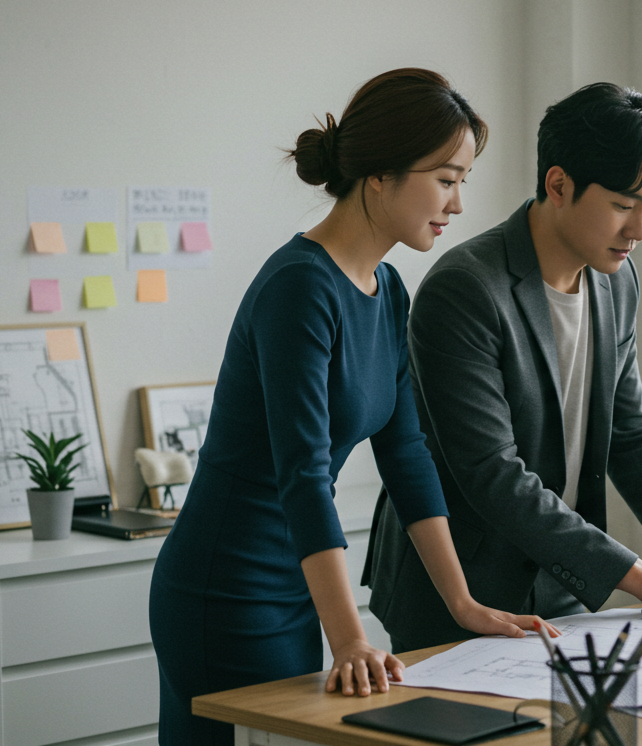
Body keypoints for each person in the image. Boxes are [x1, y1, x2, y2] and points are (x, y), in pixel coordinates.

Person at [149, 68, 548, 745]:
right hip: (226, 589)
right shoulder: (300, 288)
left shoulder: (387, 289)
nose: (456, 203)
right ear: (380, 176)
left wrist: (463, 603)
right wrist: (350, 636)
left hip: (297, 585)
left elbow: (406, 452)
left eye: (463, 182)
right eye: (445, 179)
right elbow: (302, 473)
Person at [364, 82, 642, 653]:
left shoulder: (616, 282)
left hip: (558, 582)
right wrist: (639, 575)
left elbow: (632, 435)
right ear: (559, 184)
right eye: (623, 205)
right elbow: (490, 473)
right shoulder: (466, 288)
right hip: (458, 594)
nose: (639, 230)